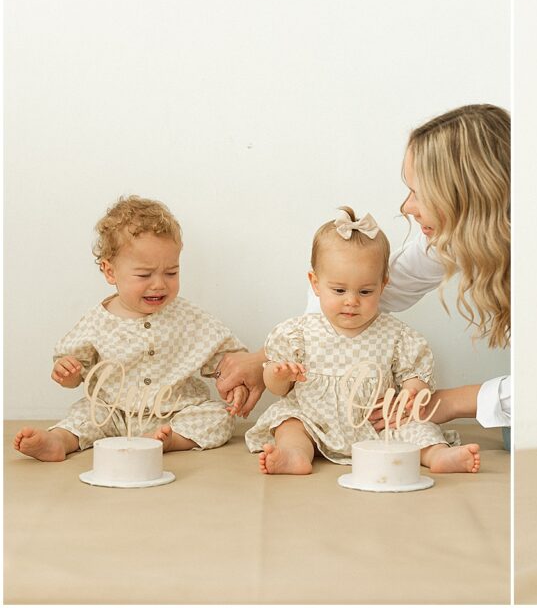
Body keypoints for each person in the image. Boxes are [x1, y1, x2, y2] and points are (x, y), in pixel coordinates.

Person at [216, 104, 511, 438]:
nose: (406, 207)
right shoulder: (450, 241)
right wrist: (269, 358)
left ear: (468, 197)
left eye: (419, 193)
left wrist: (450, 402)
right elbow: (380, 285)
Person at [245, 207, 480, 475]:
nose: (351, 301)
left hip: (378, 423)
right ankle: (295, 455)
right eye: (339, 290)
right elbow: (277, 389)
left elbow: (415, 375)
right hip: (314, 418)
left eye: (365, 291)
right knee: (289, 423)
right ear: (315, 283)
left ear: (384, 285)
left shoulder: (397, 335)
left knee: (415, 425)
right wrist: (279, 374)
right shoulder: (296, 333)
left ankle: (438, 455)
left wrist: (411, 392)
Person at [13, 196, 248, 461]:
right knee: (85, 414)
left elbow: (224, 357)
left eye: (171, 273)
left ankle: (170, 440)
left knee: (219, 416)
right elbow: (72, 373)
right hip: (112, 412)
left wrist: (234, 380)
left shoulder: (188, 317)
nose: (159, 284)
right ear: (110, 272)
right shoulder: (97, 322)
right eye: (144, 275)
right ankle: (59, 440)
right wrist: (67, 372)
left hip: (173, 412)